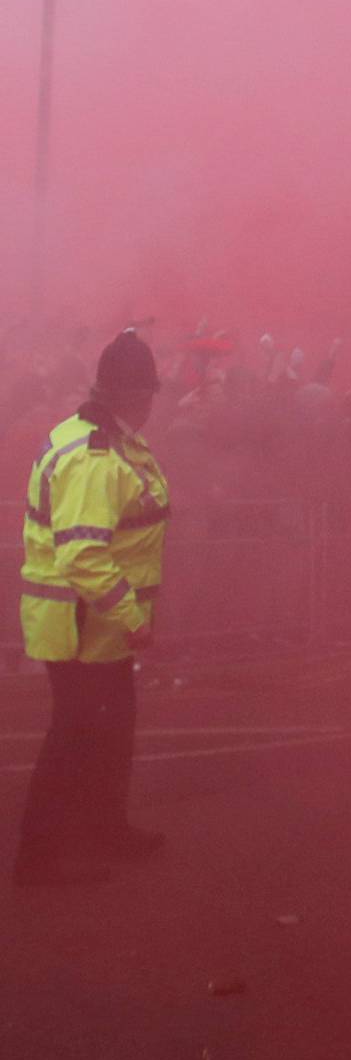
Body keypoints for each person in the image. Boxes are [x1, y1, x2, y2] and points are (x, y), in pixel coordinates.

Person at [14, 330, 172, 888]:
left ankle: (106, 828)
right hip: (84, 623)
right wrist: (134, 618)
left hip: (97, 625)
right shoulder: (96, 455)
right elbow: (82, 554)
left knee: (112, 729)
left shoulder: (97, 435)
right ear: (139, 397)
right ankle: (39, 858)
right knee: (75, 735)